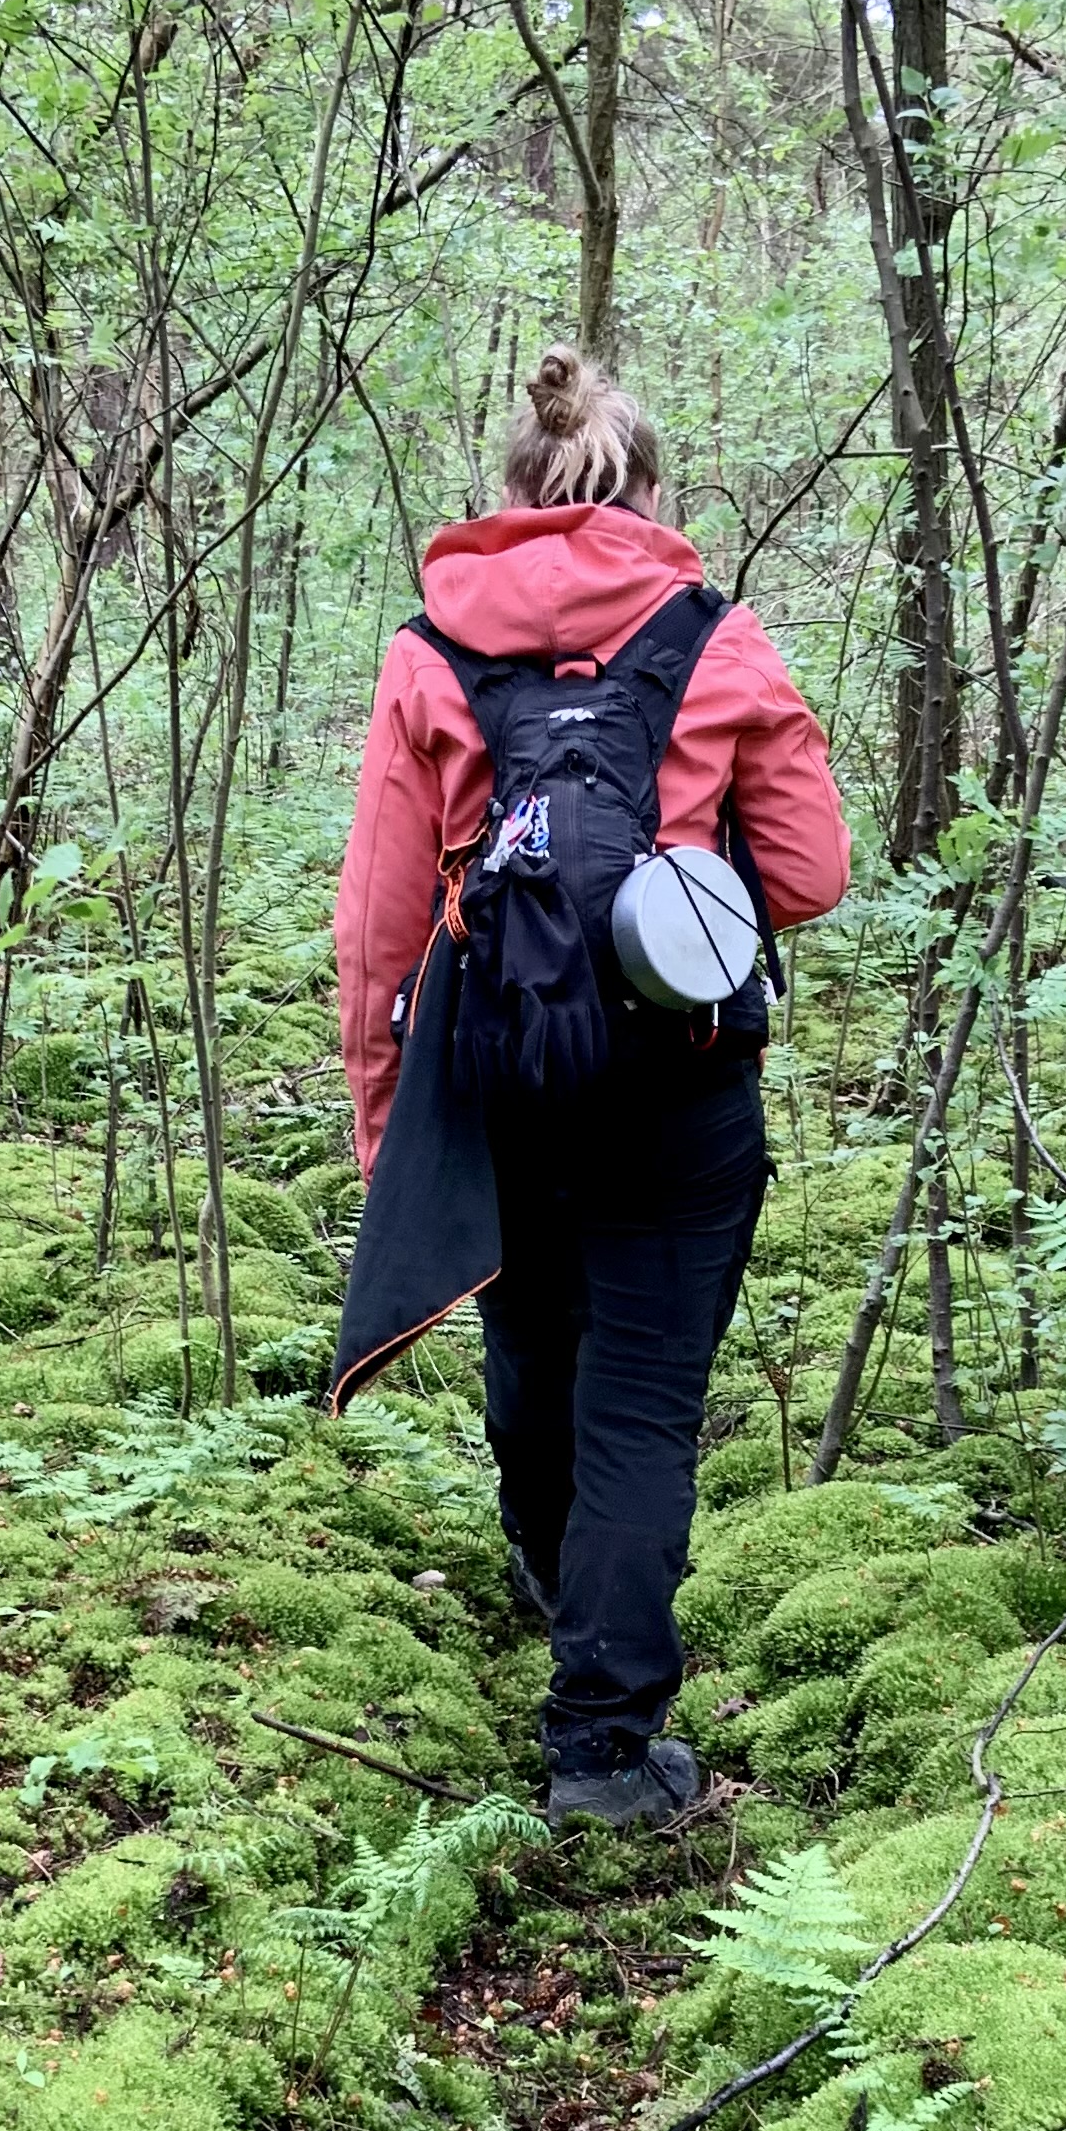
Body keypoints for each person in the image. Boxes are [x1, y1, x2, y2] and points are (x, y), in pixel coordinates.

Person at [334, 346, 852, 1831]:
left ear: (510, 495)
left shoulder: (429, 651)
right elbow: (810, 875)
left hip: (498, 1074)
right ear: (650, 493)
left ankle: (553, 1569)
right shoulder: (717, 638)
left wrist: (390, 1122)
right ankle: (606, 1752)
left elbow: (377, 925)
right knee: (641, 1403)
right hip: (677, 1083)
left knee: (533, 1351)